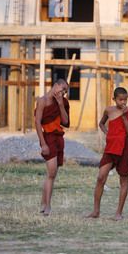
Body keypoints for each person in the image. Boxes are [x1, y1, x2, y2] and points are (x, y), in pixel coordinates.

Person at [84, 87, 128, 221]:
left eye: (125, 99)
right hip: (110, 148)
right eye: (120, 99)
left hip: (125, 148)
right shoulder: (109, 110)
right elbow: (101, 123)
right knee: (101, 177)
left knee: (123, 179)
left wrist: (124, 116)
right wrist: (108, 133)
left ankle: (118, 212)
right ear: (114, 99)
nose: (123, 102)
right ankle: (96, 211)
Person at [35, 79, 70, 216]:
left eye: (65, 91)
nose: (63, 92)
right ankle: (48, 206)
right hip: (48, 137)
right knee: (51, 172)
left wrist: (61, 104)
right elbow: (38, 123)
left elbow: (65, 122)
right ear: (55, 85)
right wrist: (43, 143)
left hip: (58, 137)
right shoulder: (43, 101)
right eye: (62, 89)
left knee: (52, 174)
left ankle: (43, 203)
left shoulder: (63, 102)